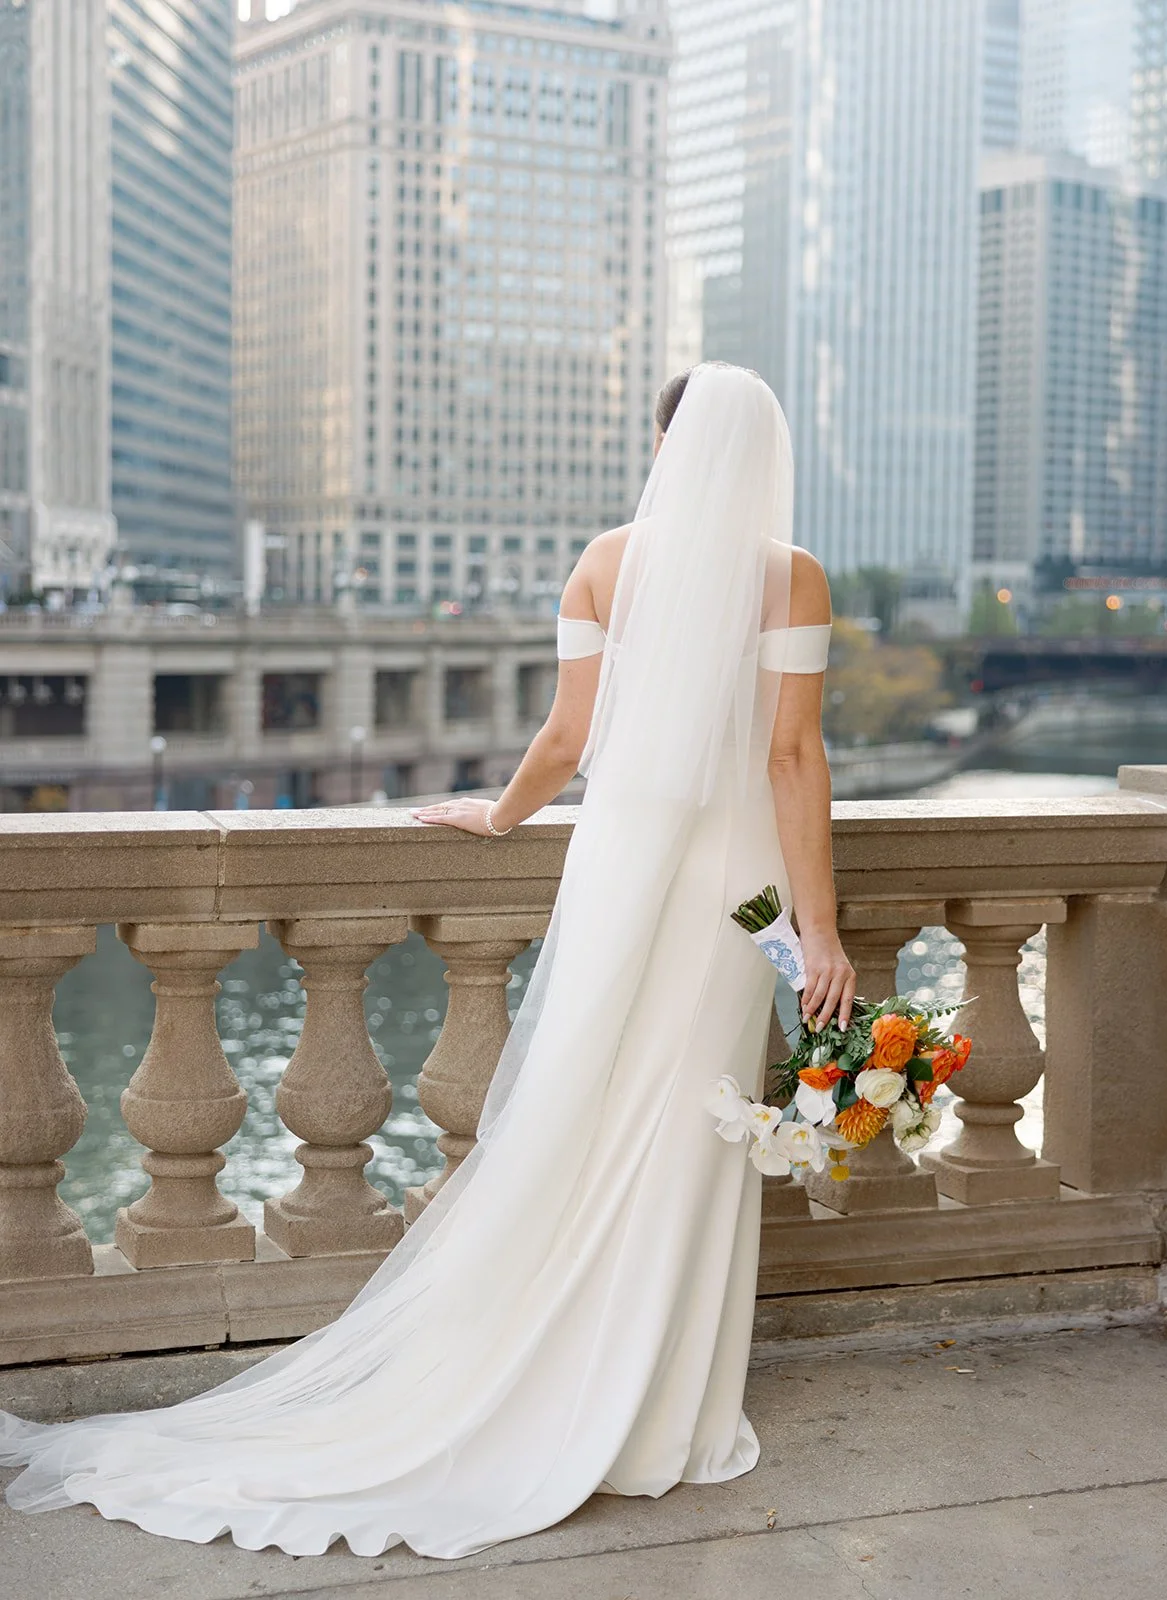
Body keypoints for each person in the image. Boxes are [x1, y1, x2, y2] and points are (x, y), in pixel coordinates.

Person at [0, 362, 854, 1560]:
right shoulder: (794, 574)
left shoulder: (606, 562)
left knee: (581, 1105)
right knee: (686, 1117)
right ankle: (663, 1403)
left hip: (619, 865)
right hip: (734, 886)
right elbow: (792, 758)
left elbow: (566, 736)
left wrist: (503, 817)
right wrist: (817, 930)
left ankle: (541, 1371)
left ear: (665, 443)